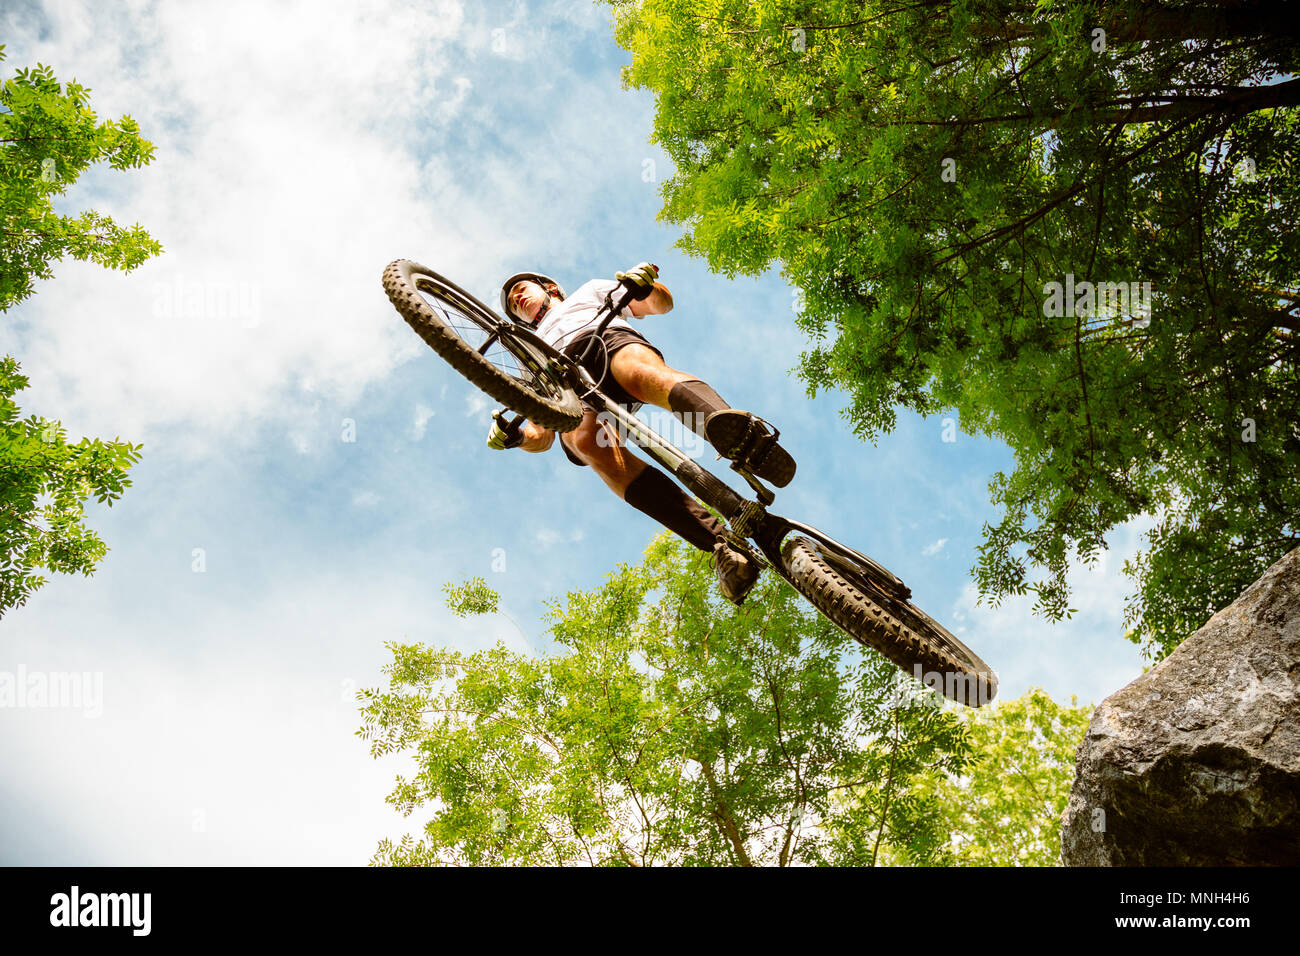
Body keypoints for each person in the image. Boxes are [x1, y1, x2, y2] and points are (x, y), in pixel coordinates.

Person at [486, 263, 796, 606]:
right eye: (513, 305)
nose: (517, 298)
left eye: (521, 289)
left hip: (602, 340)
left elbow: (660, 305)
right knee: (582, 441)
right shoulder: (527, 352)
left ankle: (745, 440)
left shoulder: (589, 291)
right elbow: (542, 432)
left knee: (638, 372)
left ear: (550, 288)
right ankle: (722, 546)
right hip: (567, 388)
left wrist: (646, 286)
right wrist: (516, 438)